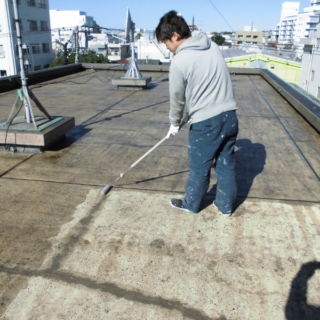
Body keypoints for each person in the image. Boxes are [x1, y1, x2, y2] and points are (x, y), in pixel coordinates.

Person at [155, 10, 239, 216]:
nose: (167, 47)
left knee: (200, 168)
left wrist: (174, 123)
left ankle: (191, 204)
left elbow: (177, 97)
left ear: (174, 36)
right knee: (226, 163)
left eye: (166, 42)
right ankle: (225, 207)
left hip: (206, 123)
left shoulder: (179, 60)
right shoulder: (213, 46)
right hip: (230, 116)